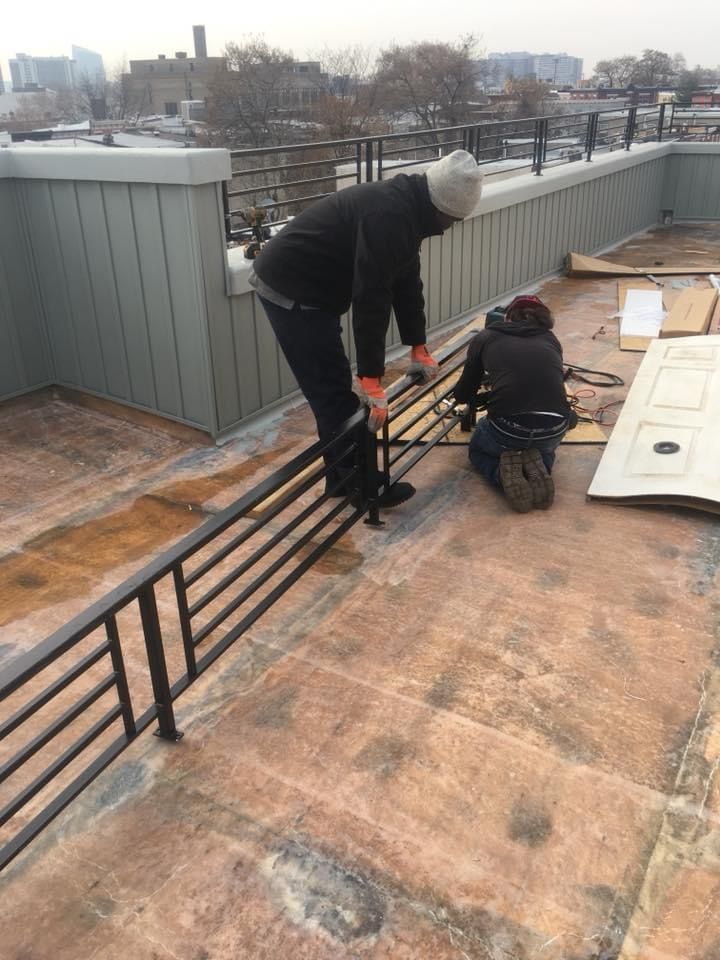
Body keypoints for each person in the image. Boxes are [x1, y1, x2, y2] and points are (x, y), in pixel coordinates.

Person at [250, 150, 484, 507]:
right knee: (335, 396)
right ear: (439, 205)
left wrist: (417, 346)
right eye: (450, 219)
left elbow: (405, 281)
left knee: (339, 396)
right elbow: (371, 297)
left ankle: (343, 482)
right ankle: (361, 488)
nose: (448, 227)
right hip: (292, 290)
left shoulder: (411, 208)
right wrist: (371, 377)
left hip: (316, 289)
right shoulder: (389, 215)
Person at [452, 295, 571, 512]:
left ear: (508, 317)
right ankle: (539, 468)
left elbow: (463, 393)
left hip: (508, 429)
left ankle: (501, 474)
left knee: (477, 451)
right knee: (545, 451)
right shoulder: (551, 339)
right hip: (554, 428)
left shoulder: (486, 337)